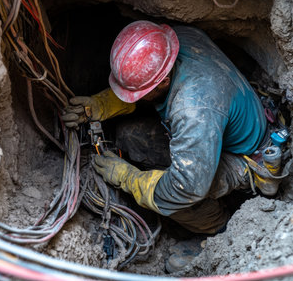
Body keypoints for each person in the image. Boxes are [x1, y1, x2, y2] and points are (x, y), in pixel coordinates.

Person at [62, 20, 274, 272]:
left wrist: (128, 178)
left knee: (171, 197)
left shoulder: (193, 108)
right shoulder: (172, 40)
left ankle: (220, 229)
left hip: (245, 157)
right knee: (130, 136)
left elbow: (186, 188)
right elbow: (151, 88)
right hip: (217, 122)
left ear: (162, 82)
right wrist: (101, 105)